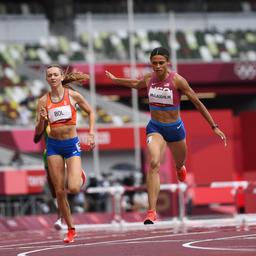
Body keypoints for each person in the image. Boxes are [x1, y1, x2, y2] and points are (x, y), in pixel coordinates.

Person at [105, 47, 227, 225]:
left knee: (180, 162)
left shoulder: (178, 80)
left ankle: (180, 167)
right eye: (154, 63)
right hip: (155, 127)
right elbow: (134, 83)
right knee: (154, 162)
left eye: (161, 63)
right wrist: (116, 80)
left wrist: (214, 126)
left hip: (175, 129)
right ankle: (151, 212)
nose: (158, 66)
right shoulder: (149, 78)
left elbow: (197, 103)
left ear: (168, 62)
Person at [35, 65, 95, 243]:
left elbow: (91, 112)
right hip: (53, 146)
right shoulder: (42, 101)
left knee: (74, 188)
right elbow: (38, 131)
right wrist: (44, 119)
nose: (52, 77)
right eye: (49, 75)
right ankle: (70, 229)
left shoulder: (73, 95)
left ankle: (79, 174)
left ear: (61, 77)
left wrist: (91, 133)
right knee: (60, 191)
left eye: (55, 74)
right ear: (47, 79)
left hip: (71, 145)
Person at [33, 124, 87, 231]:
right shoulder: (44, 120)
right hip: (51, 154)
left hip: (65, 155)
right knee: (56, 190)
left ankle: (61, 217)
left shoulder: (62, 121)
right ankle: (60, 218)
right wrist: (40, 124)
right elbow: (36, 138)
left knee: (64, 189)